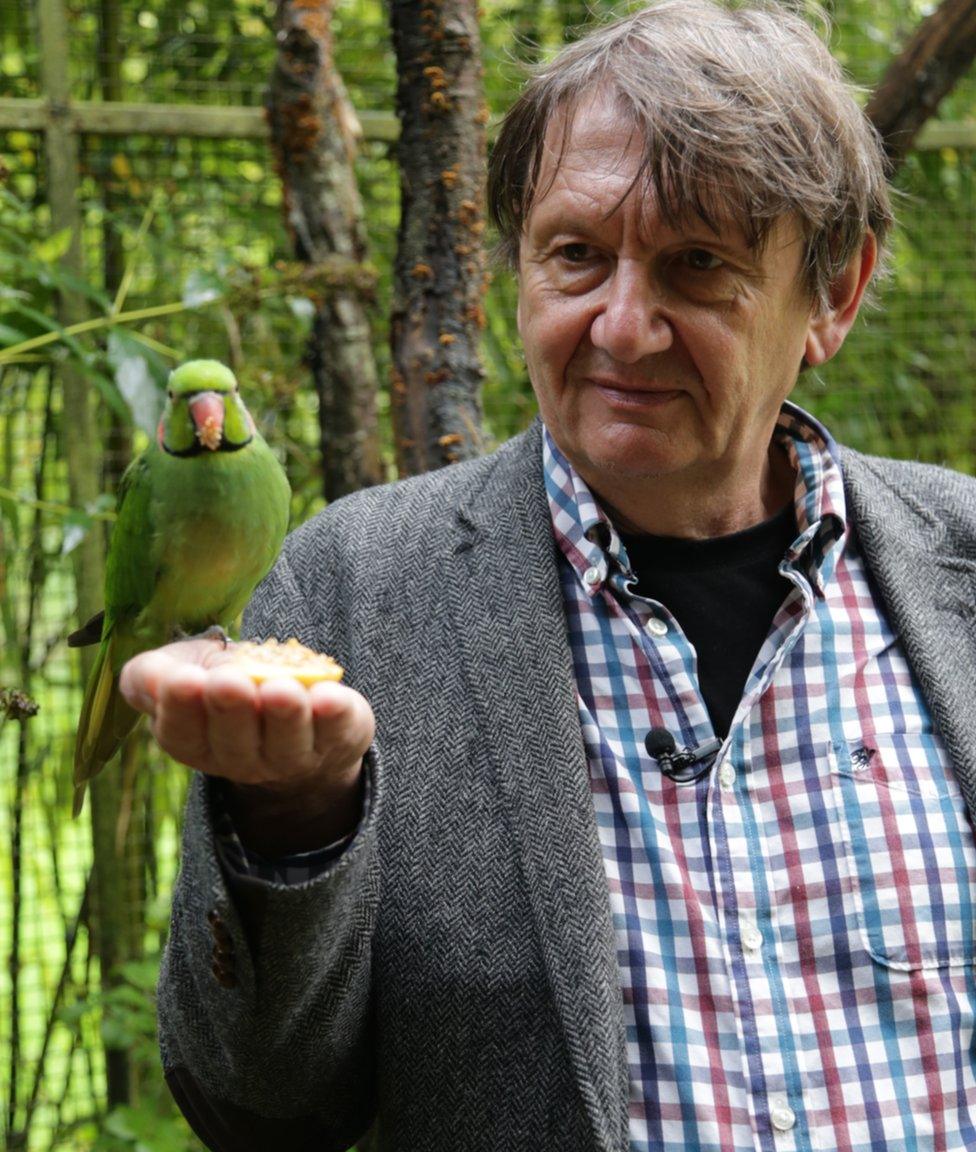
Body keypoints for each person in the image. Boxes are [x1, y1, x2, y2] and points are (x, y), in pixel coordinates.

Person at [122, 1, 976, 1149]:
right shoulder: (353, 592)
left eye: (697, 265)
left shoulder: (957, 569)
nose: (624, 328)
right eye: (576, 255)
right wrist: (292, 824)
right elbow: (255, 1106)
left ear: (832, 293)